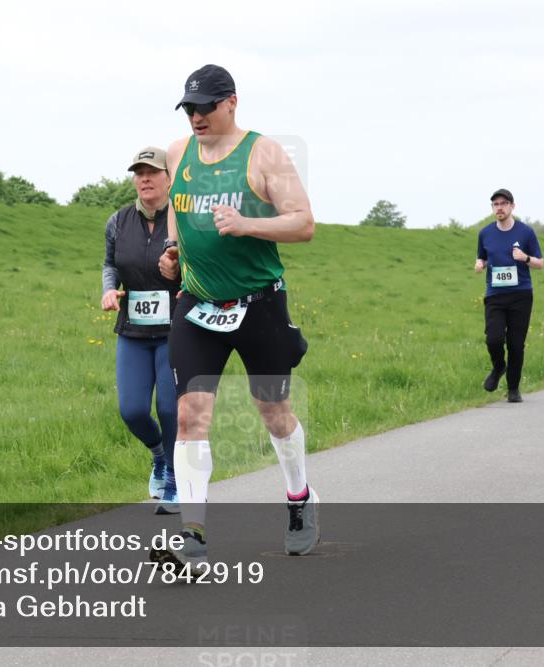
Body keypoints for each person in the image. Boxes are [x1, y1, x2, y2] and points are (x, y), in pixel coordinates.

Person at [149, 64, 316, 569]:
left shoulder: (264, 153)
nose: (196, 116)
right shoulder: (178, 153)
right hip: (197, 304)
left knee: (274, 411)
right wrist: (172, 248)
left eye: (205, 107)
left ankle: (299, 498)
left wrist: (248, 224)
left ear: (231, 103)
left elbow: (304, 223)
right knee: (188, 415)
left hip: (259, 303)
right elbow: (177, 205)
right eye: (189, 108)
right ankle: (192, 535)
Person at [101, 147, 179, 514]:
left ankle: (177, 482)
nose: (144, 179)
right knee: (132, 410)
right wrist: (107, 289)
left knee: (168, 408)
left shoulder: (181, 220)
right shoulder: (118, 221)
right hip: (133, 329)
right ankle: (159, 456)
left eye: (152, 172)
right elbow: (109, 264)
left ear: (168, 178)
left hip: (174, 329)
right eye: (139, 172)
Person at [474, 189, 544, 403]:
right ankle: (498, 367)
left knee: (515, 344)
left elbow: (539, 263)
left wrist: (524, 258)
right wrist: (480, 264)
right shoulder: (485, 233)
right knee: (493, 338)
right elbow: (483, 258)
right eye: (495, 204)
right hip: (495, 294)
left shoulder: (526, 232)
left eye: (504, 203)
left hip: (521, 294)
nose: (500, 208)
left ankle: (513, 389)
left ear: (513, 206)